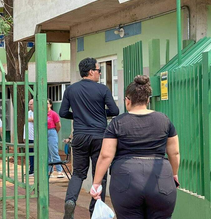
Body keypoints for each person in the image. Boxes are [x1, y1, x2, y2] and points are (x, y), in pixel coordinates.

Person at [90, 75, 180, 219]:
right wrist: (174, 174)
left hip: (126, 181)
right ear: (148, 100)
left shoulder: (117, 123)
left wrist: (96, 183)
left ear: (127, 100)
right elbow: (174, 153)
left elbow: (106, 155)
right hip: (161, 179)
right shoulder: (164, 120)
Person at [59, 57, 119, 218]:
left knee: (78, 173)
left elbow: (63, 113)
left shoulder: (71, 90)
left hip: (79, 136)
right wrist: (100, 114)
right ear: (91, 71)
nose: (100, 73)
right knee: (100, 173)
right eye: (99, 70)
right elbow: (115, 111)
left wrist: (78, 116)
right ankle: (95, 210)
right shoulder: (102, 89)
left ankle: (70, 201)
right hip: (100, 136)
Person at [47, 98, 65, 178]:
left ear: (50, 104)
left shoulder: (53, 114)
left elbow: (58, 125)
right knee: (47, 153)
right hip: (44, 133)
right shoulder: (42, 114)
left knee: (54, 151)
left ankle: (59, 170)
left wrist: (54, 132)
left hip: (52, 131)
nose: (46, 105)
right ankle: (49, 170)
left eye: (47, 103)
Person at [23, 99, 35, 176]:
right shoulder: (28, 113)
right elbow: (26, 125)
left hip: (35, 137)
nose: (29, 106)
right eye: (29, 104)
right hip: (29, 137)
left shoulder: (38, 112)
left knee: (35, 154)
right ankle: (31, 169)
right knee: (30, 154)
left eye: (31, 104)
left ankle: (35, 169)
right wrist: (24, 136)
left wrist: (32, 119)